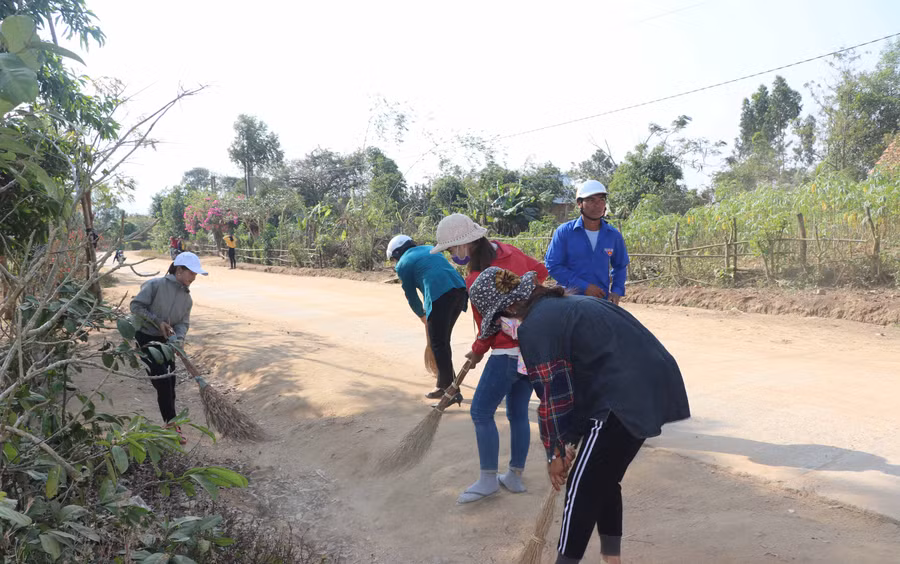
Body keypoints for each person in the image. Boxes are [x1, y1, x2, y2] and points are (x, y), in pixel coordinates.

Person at [469, 267, 690, 564]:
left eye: (499, 320)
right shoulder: (569, 305)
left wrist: (555, 452)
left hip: (621, 396)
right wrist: (569, 438)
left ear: (509, 308)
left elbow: (553, 394)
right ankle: (612, 558)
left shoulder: (535, 326)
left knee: (581, 486)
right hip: (653, 382)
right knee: (603, 477)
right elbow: (578, 384)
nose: (503, 325)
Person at [430, 213, 549, 504]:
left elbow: (489, 325)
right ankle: (514, 476)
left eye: (450, 249)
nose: (450, 255)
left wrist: (477, 350)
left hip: (507, 353)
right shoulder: (509, 250)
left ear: (463, 245)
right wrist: (522, 301)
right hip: (533, 350)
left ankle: (487, 481)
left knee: (481, 412)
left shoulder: (476, 278)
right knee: (518, 412)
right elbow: (541, 272)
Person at [129, 252, 208, 445]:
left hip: (167, 342)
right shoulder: (155, 285)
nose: (194, 277)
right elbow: (136, 306)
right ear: (179, 270)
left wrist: (178, 339)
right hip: (146, 338)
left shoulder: (186, 299)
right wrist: (158, 322)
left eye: (196, 274)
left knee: (171, 383)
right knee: (162, 381)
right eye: (191, 273)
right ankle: (172, 425)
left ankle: (170, 423)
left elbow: (182, 323)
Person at [387, 234, 468, 403]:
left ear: (397, 254)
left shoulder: (402, 265)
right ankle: (443, 385)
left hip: (442, 297)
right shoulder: (431, 249)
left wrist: (421, 315)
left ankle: (451, 391)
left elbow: (411, 296)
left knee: (438, 343)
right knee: (442, 342)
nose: (395, 262)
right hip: (460, 292)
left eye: (394, 259)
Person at [545, 180, 629, 305]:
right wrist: (584, 287)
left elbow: (620, 265)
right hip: (569, 301)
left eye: (601, 200)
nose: (598, 205)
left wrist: (616, 291)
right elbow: (553, 265)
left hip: (601, 301)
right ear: (579, 203)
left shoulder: (613, 235)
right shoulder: (564, 232)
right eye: (591, 200)